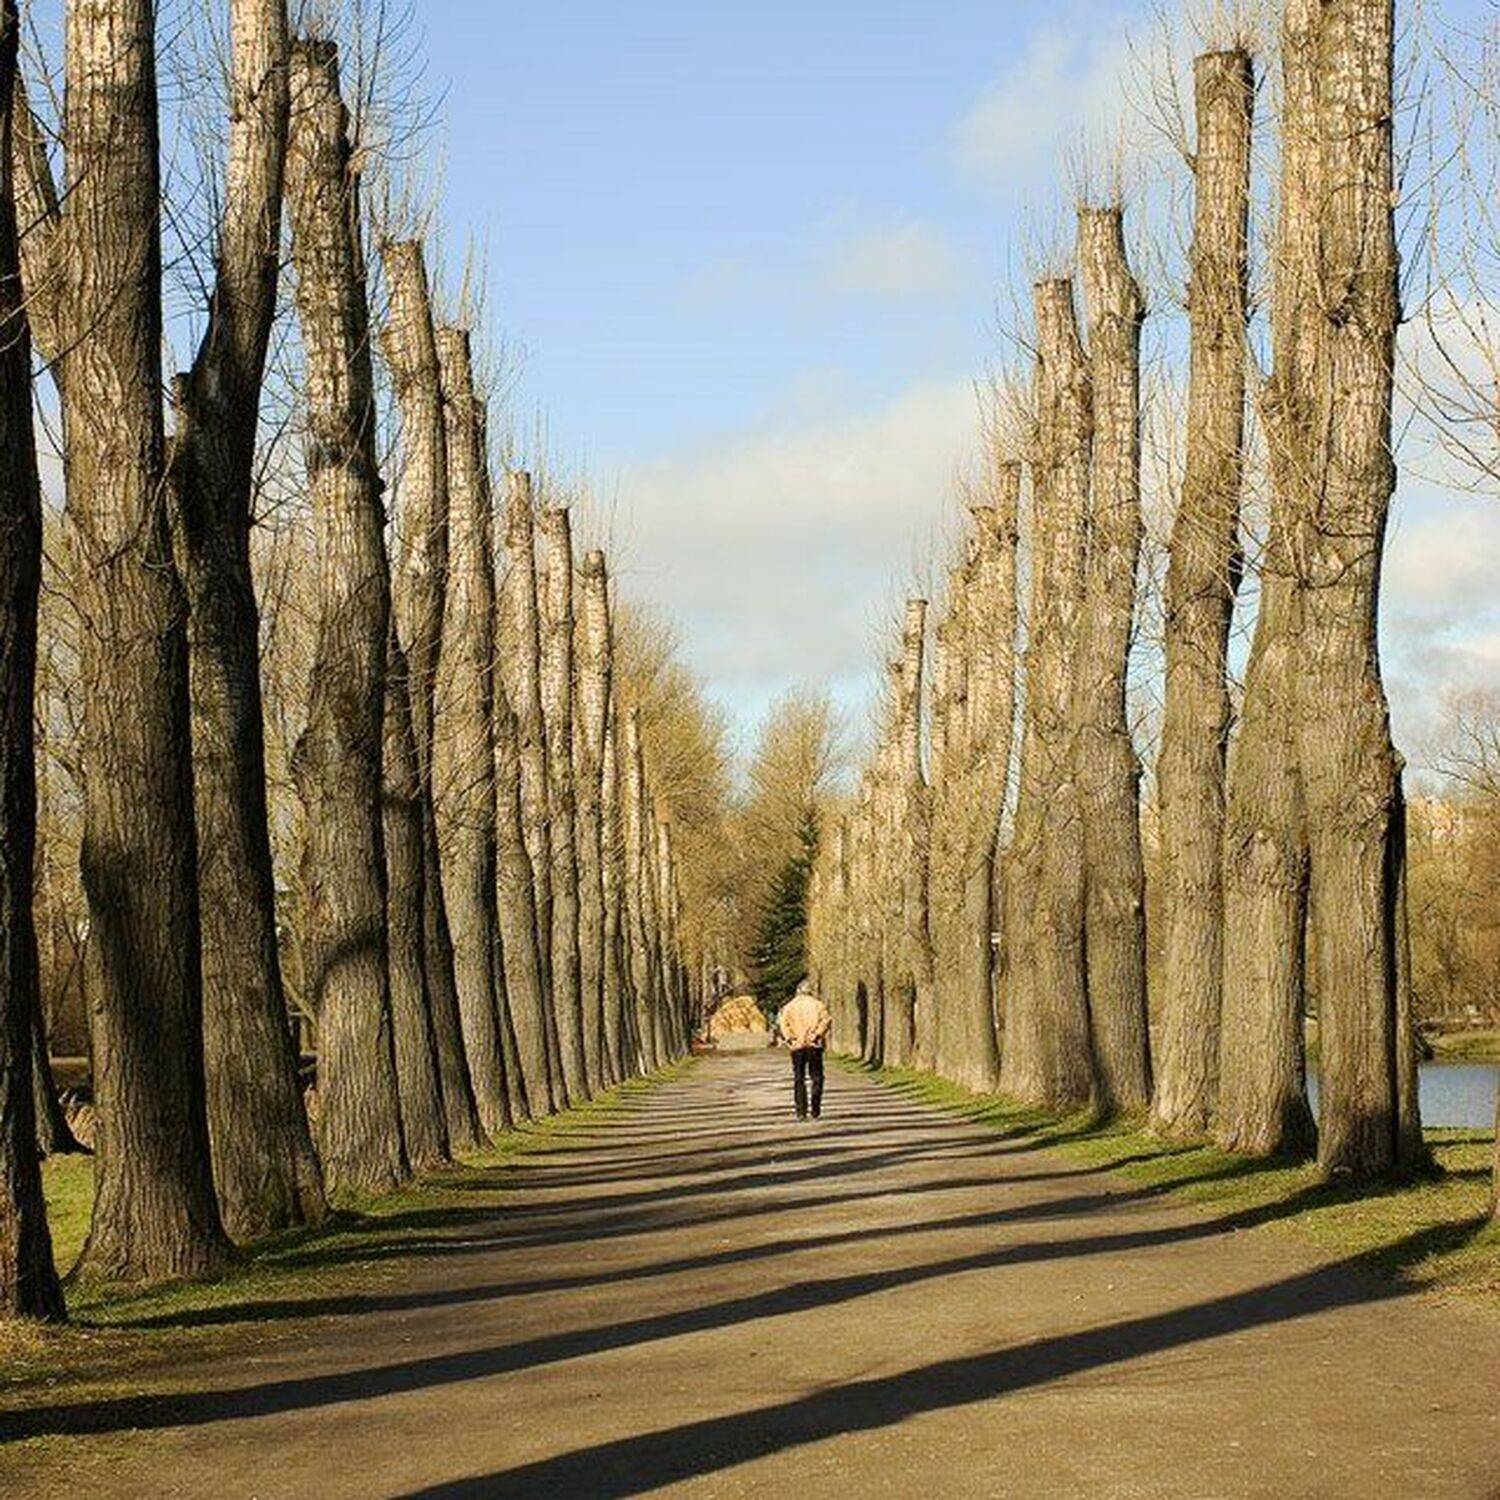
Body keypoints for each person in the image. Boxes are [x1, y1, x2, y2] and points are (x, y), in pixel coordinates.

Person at [777, 977, 832, 1120]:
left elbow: (783, 1024)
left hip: (797, 1046)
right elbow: (826, 1020)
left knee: (799, 1078)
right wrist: (816, 1034)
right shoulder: (818, 1005)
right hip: (814, 1045)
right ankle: (815, 1108)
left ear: (798, 991)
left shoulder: (789, 1007)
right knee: (817, 1077)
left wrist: (790, 1037)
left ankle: (801, 1111)